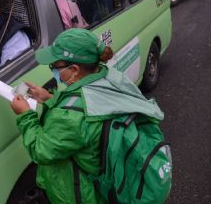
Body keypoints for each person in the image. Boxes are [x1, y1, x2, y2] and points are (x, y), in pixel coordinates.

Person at [9, 28, 164, 203]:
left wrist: (25, 115)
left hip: (84, 195)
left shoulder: (71, 117)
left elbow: (42, 150)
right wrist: (50, 99)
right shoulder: (109, 76)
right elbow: (84, 107)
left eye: (55, 66)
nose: (52, 70)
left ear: (74, 69)